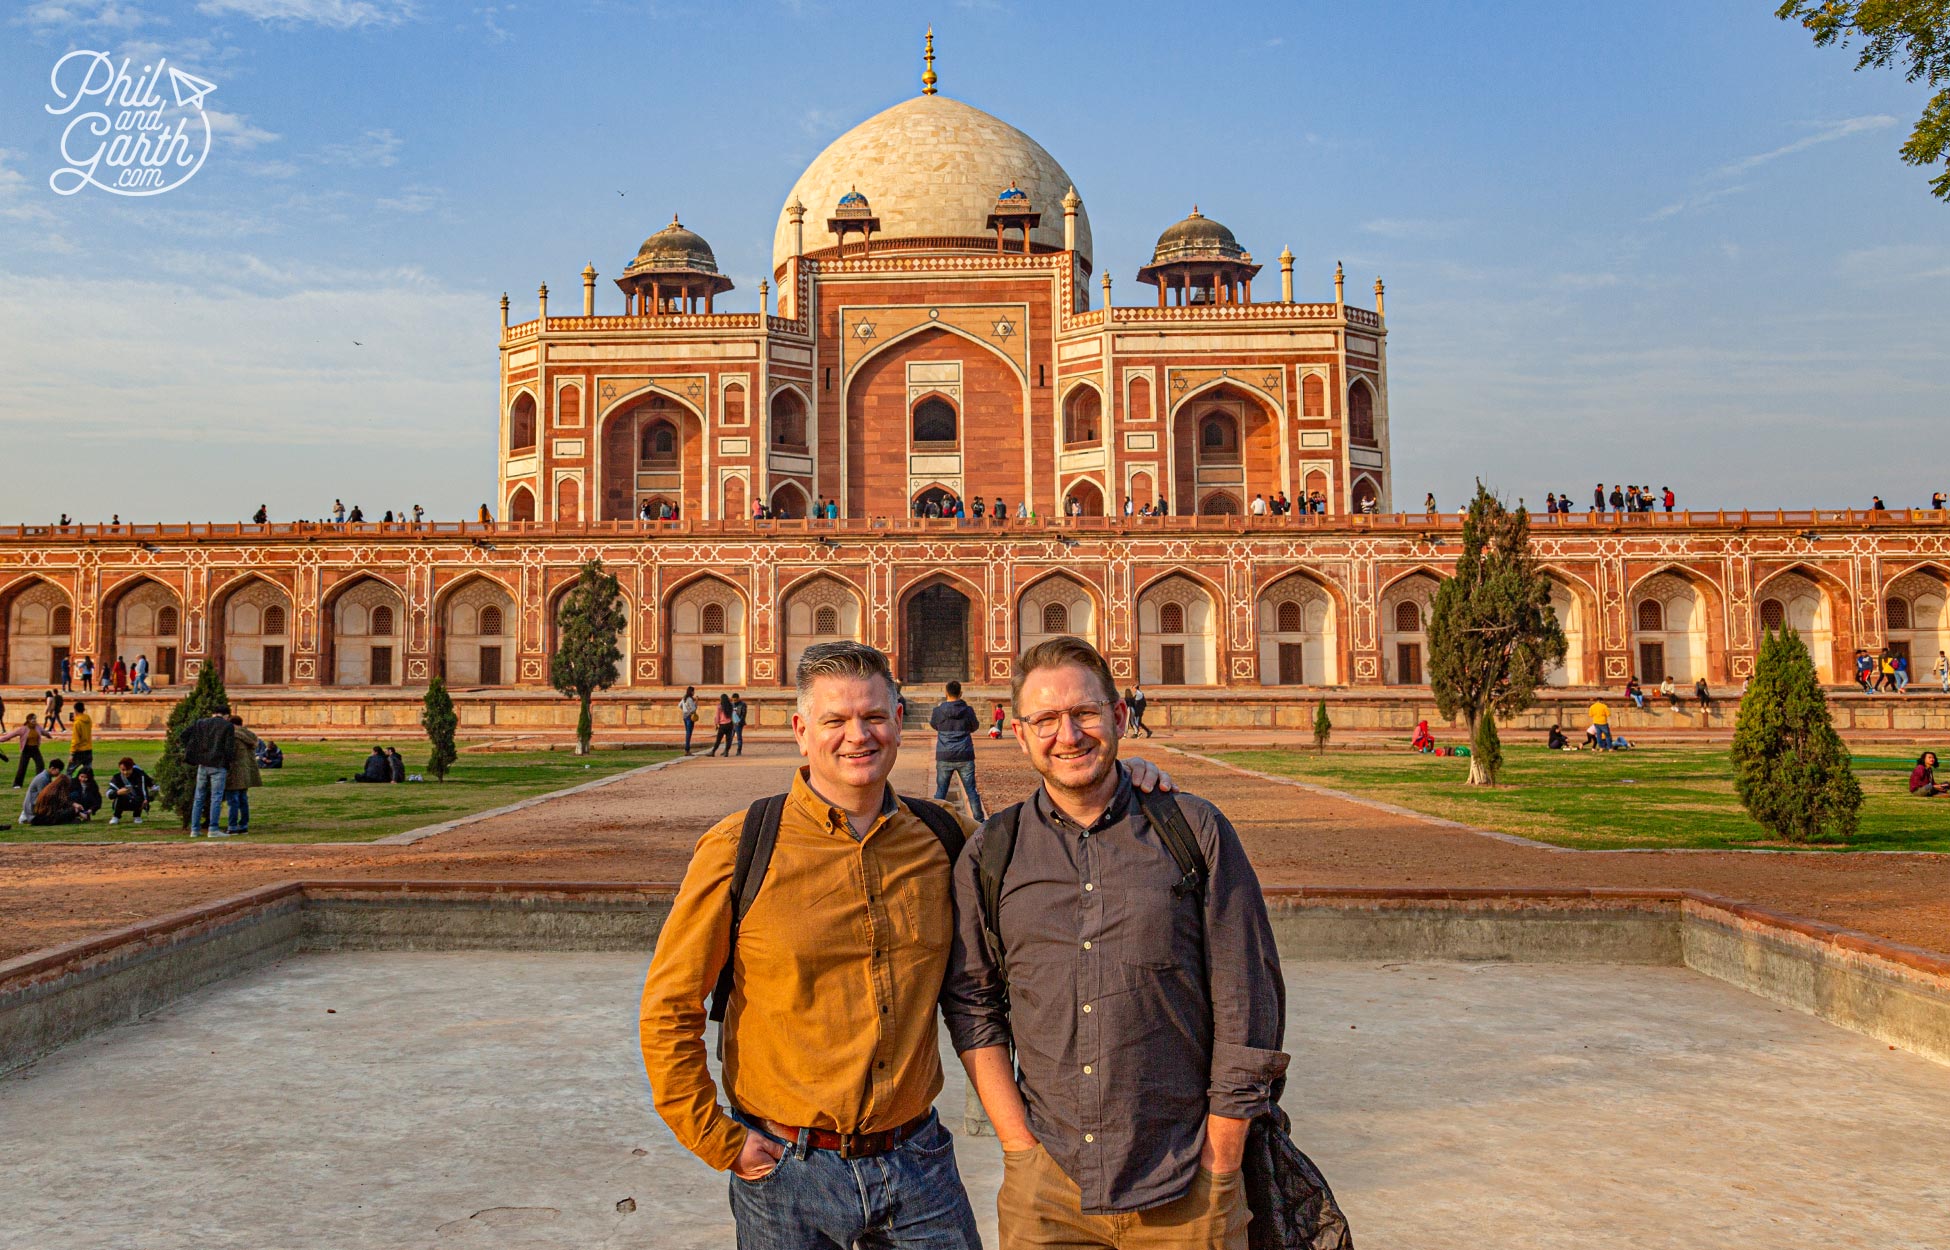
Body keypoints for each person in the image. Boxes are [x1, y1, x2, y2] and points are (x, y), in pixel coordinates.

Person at [637, 640, 986, 1250]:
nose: (859, 735)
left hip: (919, 1162)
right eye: (836, 720)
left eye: (874, 717)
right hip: (786, 1171)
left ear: (899, 723)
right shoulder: (740, 846)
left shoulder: (944, 839)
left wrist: (1127, 782)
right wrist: (719, 1140)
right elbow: (670, 1006)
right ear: (802, 731)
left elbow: (1045, 861)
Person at [945, 635, 1283, 1250]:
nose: (1068, 735)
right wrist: (1019, 1147)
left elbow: (1248, 997)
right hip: (1048, 1185)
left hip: (1185, 1179)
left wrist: (1222, 1158)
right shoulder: (993, 851)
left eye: (1085, 713)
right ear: (1019, 733)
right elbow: (974, 1004)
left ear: (1119, 716)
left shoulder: (1193, 829)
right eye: (1045, 719)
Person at [929, 679, 986, 821]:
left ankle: (935, 820)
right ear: (961, 693)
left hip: (944, 754)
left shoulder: (938, 711)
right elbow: (974, 726)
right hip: (965, 754)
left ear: (945, 693)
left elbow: (934, 725)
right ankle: (979, 821)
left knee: (941, 791)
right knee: (971, 791)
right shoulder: (968, 711)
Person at [179, 706, 236, 836]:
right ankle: (213, 828)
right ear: (226, 715)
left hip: (202, 764)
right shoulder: (227, 726)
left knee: (198, 797)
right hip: (218, 764)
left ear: (213, 713)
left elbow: (184, 735)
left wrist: (195, 750)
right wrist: (227, 762)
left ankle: (194, 829)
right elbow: (229, 748)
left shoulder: (201, 723)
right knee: (216, 797)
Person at [3, 714, 47, 790]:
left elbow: (44, 732)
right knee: (22, 767)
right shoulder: (23, 729)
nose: (34, 721)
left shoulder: (38, 727)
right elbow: (10, 735)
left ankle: (39, 783)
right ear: (28, 720)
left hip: (35, 749)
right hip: (26, 749)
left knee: (40, 765)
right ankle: (17, 784)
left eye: (35, 719)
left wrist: (49, 735)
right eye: (32, 719)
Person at [106, 757, 152, 824]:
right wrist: (117, 792)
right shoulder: (117, 777)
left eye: (128, 770)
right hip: (123, 801)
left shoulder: (140, 775)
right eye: (123, 770)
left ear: (132, 768)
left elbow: (144, 789)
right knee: (120, 796)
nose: (125, 772)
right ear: (119, 769)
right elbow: (108, 793)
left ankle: (137, 816)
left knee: (141, 797)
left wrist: (146, 800)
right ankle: (116, 816)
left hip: (137, 802)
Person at [20, 758, 66, 825]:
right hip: (32, 806)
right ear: (52, 768)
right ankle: (24, 816)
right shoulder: (43, 779)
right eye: (59, 770)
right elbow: (44, 797)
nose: (59, 773)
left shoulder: (46, 777)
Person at [68, 700, 94, 773]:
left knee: (69, 771)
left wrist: (72, 754)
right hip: (88, 749)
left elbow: (75, 740)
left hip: (79, 751)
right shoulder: (88, 719)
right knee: (88, 773)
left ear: (75, 710)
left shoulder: (77, 723)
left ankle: (68, 784)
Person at [679, 686, 698, 755]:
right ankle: (687, 749)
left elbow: (679, 705)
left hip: (685, 716)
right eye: (693, 691)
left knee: (688, 732)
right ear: (691, 692)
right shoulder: (690, 699)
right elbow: (693, 709)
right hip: (690, 717)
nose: (694, 692)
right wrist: (696, 702)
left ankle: (687, 749)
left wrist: (685, 710)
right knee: (689, 733)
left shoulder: (684, 698)